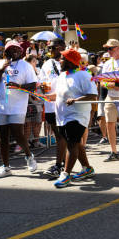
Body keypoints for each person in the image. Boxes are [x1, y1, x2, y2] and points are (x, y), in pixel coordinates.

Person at [46, 49, 98, 188]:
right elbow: (60, 94)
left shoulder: (84, 75)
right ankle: (87, 168)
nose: (60, 60)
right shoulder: (63, 75)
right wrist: (50, 97)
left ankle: (65, 174)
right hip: (63, 116)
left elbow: (93, 95)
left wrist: (76, 99)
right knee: (74, 142)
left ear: (70, 61)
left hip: (77, 116)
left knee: (72, 143)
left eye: (62, 58)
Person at [0, 41, 38, 178]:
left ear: (21, 51)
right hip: (0, 106)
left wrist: (19, 86)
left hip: (18, 106)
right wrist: (1, 70)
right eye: (12, 49)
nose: (15, 51)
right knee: (2, 137)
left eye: (17, 49)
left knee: (17, 133)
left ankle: (29, 156)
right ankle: (6, 167)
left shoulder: (26, 66)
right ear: (6, 51)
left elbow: (33, 85)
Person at [39, 39, 68, 179]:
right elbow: (42, 81)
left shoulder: (69, 61)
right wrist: (42, 87)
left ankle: (59, 165)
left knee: (63, 136)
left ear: (61, 47)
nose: (49, 50)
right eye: (49, 48)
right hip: (50, 105)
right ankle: (65, 163)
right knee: (60, 136)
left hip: (65, 104)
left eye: (52, 48)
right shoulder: (46, 64)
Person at [23, 55, 42, 149]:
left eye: (36, 61)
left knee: (38, 121)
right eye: (34, 61)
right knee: (28, 123)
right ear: (28, 62)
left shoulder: (38, 71)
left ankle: (36, 141)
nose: (36, 63)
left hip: (38, 99)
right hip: (30, 101)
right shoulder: (26, 71)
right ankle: (26, 143)